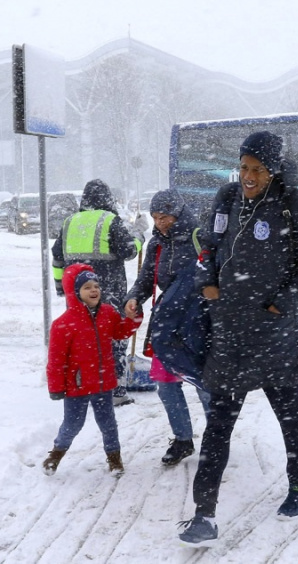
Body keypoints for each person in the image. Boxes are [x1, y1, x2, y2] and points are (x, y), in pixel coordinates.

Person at [178, 131, 298, 546]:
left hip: (273, 331)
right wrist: (206, 280)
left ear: (273, 169)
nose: (247, 176)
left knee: (290, 416)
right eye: (243, 167)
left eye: (256, 169)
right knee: (218, 427)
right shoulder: (226, 197)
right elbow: (207, 245)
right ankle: (203, 514)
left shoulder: (294, 204)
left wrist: (283, 301)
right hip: (229, 332)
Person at [123, 189, 211, 466]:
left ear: (179, 213)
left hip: (198, 321)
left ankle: (216, 437)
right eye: (156, 217)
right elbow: (147, 277)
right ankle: (183, 439)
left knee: (203, 383)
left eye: (165, 217)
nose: (160, 222)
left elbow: (216, 276)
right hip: (167, 321)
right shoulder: (156, 244)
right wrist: (134, 297)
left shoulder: (200, 237)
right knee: (165, 382)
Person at [52, 179, 147, 407]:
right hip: (108, 293)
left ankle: (85, 388)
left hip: (78, 296)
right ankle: (116, 393)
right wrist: (139, 236)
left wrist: (60, 287)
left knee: (83, 343)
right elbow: (127, 251)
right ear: (108, 199)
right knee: (113, 340)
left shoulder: (70, 222)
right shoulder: (109, 220)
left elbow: (57, 256)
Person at [43, 264, 143, 476]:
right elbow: (56, 360)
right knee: (73, 424)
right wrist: (56, 387)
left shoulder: (107, 313)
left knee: (108, 423)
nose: (94, 290)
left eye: (96, 285)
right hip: (76, 385)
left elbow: (121, 332)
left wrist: (133, 317)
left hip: (103, 382)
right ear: (75, 292)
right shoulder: (64, 323)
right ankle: (55, 455)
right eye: (87, 286)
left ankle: (114, 460)